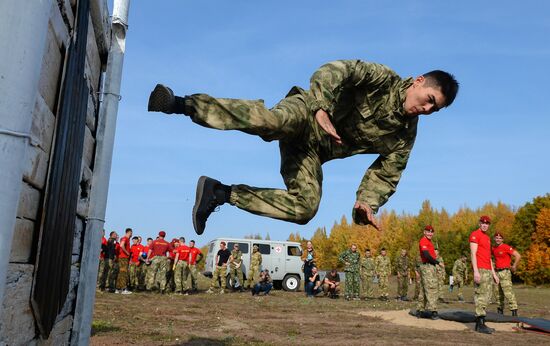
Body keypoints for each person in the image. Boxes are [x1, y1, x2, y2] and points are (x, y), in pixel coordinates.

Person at [148, 60, 459, 235]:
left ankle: (220, 193)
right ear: (419, 81)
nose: (427, 110)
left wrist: (367, 203)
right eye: (430, 100)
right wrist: (321, 107)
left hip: (311, 153)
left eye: (435, 110)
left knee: (305, 208)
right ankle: (179, 104)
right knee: (271, 122)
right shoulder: (381, 79)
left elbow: (387, 174)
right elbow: (335, 70)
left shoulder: (405, 135)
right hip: (306, 113)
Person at [470, 215, 499, 334]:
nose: (485, 225)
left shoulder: (487, 238)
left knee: (487, 297)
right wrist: (476, 271)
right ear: (479, 223)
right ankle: (479, 324)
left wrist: (494, 274)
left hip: (487, 270)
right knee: (481, 296)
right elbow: (473, 254)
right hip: (480, 269)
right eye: (483, 223)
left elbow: (489, 257)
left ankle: (482, 322)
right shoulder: (475, 234)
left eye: (487, 223)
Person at [416, 225, 442, 320]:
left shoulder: (429, 241)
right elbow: (426, 255)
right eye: (428, 232)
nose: (430, 233)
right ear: (424, 232)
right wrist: (437, 262)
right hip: (428, 266)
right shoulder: (423, 241)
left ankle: (420, 310)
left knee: (424, 289)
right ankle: (433, 311)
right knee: (431, 288)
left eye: (431, 232)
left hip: (429, 266)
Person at [493, 232, 521, 316]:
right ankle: (500, 310)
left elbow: (518, 255)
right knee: (497, 293)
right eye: (496, 238)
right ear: (494, 239)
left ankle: (514, 311)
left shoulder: (506, 247)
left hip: (505, 272)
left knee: (508, 292)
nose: (498, 239)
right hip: (497, 272)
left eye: (500, 238)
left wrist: (514, 265)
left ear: (502, 239)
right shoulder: (493, 248)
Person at [116, 228, 133, 294]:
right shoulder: (125, 238)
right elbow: (121, 245)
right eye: (131, 233)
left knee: (121, 273)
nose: (131, 234)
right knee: (123, 273)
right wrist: (127, 252)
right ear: (129, 232)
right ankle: (123, 289)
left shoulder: (127, 239)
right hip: (123, 258)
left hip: (123, 258)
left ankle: (118, 289)